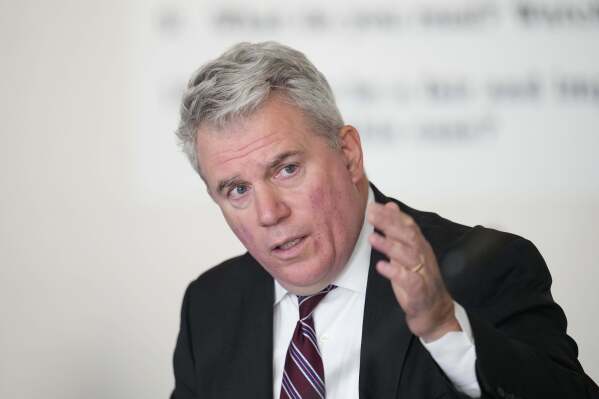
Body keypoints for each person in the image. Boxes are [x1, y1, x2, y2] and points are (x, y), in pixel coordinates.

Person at [170, 41, 598, 399]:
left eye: (287, 169)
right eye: (237, 190)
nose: (269, 214)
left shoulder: (486, 269)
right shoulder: (210, 306)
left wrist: (444, 326)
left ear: (349, 154)